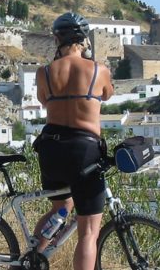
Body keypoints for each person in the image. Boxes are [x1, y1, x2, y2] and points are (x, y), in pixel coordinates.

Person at [32, 13, 114, 270]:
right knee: (89, 231)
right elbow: (107, 94)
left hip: (52, 149)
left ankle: (31, 257)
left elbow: (45, 101)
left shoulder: (43, 73)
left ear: (57, 39)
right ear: (84, 40)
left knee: (61, 209)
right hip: (83, 151)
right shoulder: (98, 70)